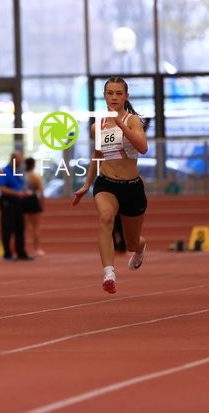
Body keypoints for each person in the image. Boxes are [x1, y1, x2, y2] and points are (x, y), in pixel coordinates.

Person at [72, 76, 149, 294]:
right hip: (106, 183)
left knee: (131, 243)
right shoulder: (97, 126)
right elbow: (97, 155)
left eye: (118, 93)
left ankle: (140, 247)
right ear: (104, 96)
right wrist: (87, 184)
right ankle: (109, 273)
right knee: (106, 217)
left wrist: (121, 125)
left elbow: (143, 148)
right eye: (110, 93)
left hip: (132, 187)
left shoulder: (133, 121)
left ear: (126, 96)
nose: (114, 97)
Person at [0, 151, 34, 261]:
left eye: (21, 160)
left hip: (19, 201)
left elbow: (22, 185)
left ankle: (21, 252)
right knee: (7, 227)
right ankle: (7, 253)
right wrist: (17, 193)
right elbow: (2, 189)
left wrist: (26, 191)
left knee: (20, 227)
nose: (20, 162)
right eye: (18, 160)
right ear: (13, 160)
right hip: (8, 201)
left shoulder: (20, 171)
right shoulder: (4, 171)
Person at [23, 156, 45, 256]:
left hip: (24, 200)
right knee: (36, 227)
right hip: (33, 201)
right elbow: (41, 192)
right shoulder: (35, 178)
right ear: (33, 165)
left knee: (24, 227)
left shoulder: (21, 177)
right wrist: (42, 204)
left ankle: (21, 248)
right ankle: (37, 248)